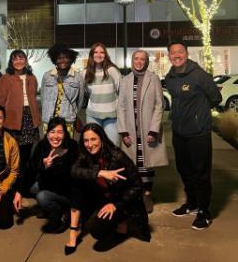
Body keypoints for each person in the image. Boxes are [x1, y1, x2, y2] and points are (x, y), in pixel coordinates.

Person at [65, 123, 150, 255]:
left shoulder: (118, 156)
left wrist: (116, 205)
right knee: (75, 183)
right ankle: (73, 231)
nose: (89, 144)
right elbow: (73, 171)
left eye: (93, 139)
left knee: (97, 232)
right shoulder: (85, 154)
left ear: (102, 140)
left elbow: (138, 186)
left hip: (121, 199)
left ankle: (122, 222)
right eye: (86, 140)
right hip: (102, 195)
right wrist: (99, 173)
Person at [165, 41, 222, 230]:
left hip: (198, 133)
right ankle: (192, 203)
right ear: (169, 56)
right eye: (173, 53)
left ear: (186, 53)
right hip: (179, 133)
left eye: (180, 52)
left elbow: (216, 98)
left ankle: (204, 212)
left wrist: (199, 116)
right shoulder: (170, 77)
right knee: (184, 169)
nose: (176, 55)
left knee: (201, 173)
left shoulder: (200, 75)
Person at [117, 50, 168, 214]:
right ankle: (136, 193)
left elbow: (159, 105)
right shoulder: (125, 80)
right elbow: (121, 107)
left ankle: (147, 194)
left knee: (147, 163)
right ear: (132, 61)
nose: (139, 61)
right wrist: (123, 131)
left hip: (148, 128)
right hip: (131, 128)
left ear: (147, 62)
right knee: (134, 163)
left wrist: (154, 129)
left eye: (142, 59)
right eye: (136, 58)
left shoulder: (153, 79)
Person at [13, 117, 78, 233]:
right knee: (26, 186)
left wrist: (50, 167)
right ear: (47, 134)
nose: (56, 136)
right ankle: (50, 208)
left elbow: (68, 179)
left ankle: (63, 213)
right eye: (52, 132)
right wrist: (19, 192)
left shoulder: (72, 147)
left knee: (42, 196)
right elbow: (29, 170)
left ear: (65, 134)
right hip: (50, 186)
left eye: (60, 132)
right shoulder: (43, 146)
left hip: (67, 193)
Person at [0, 50, 40, 173]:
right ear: (11, 62)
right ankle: (9, 180)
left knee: (26, 152)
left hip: (29, 118)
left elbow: (34, 96)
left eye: (21, 58)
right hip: (12, 119)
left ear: (25, 60)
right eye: (15, 59)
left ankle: (22, 181)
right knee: (12, 152)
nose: (18, 61)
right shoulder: (5, 78)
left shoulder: (32, 77)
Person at [41, 43, 84, 137]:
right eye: (59, 58)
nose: (62, 60)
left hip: (68, 121)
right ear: (55, 60)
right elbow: (43, 98)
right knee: (48, 148)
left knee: (66, 148)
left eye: (65, 57)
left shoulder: (78, 77)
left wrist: (73, 113)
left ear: (70, 59)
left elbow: (80, 101)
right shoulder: (47, 76)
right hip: (49, 120)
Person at [83, 42, 121, 145]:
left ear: (105, 54)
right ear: (91, 54)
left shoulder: (112, 70)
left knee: (113, 146)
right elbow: (86, 93)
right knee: (94, 146)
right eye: (96, 52)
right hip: (93, 116)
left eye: (102, 52)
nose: (99, 55)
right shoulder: (85, 73)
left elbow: (121, 91)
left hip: (111, 116)